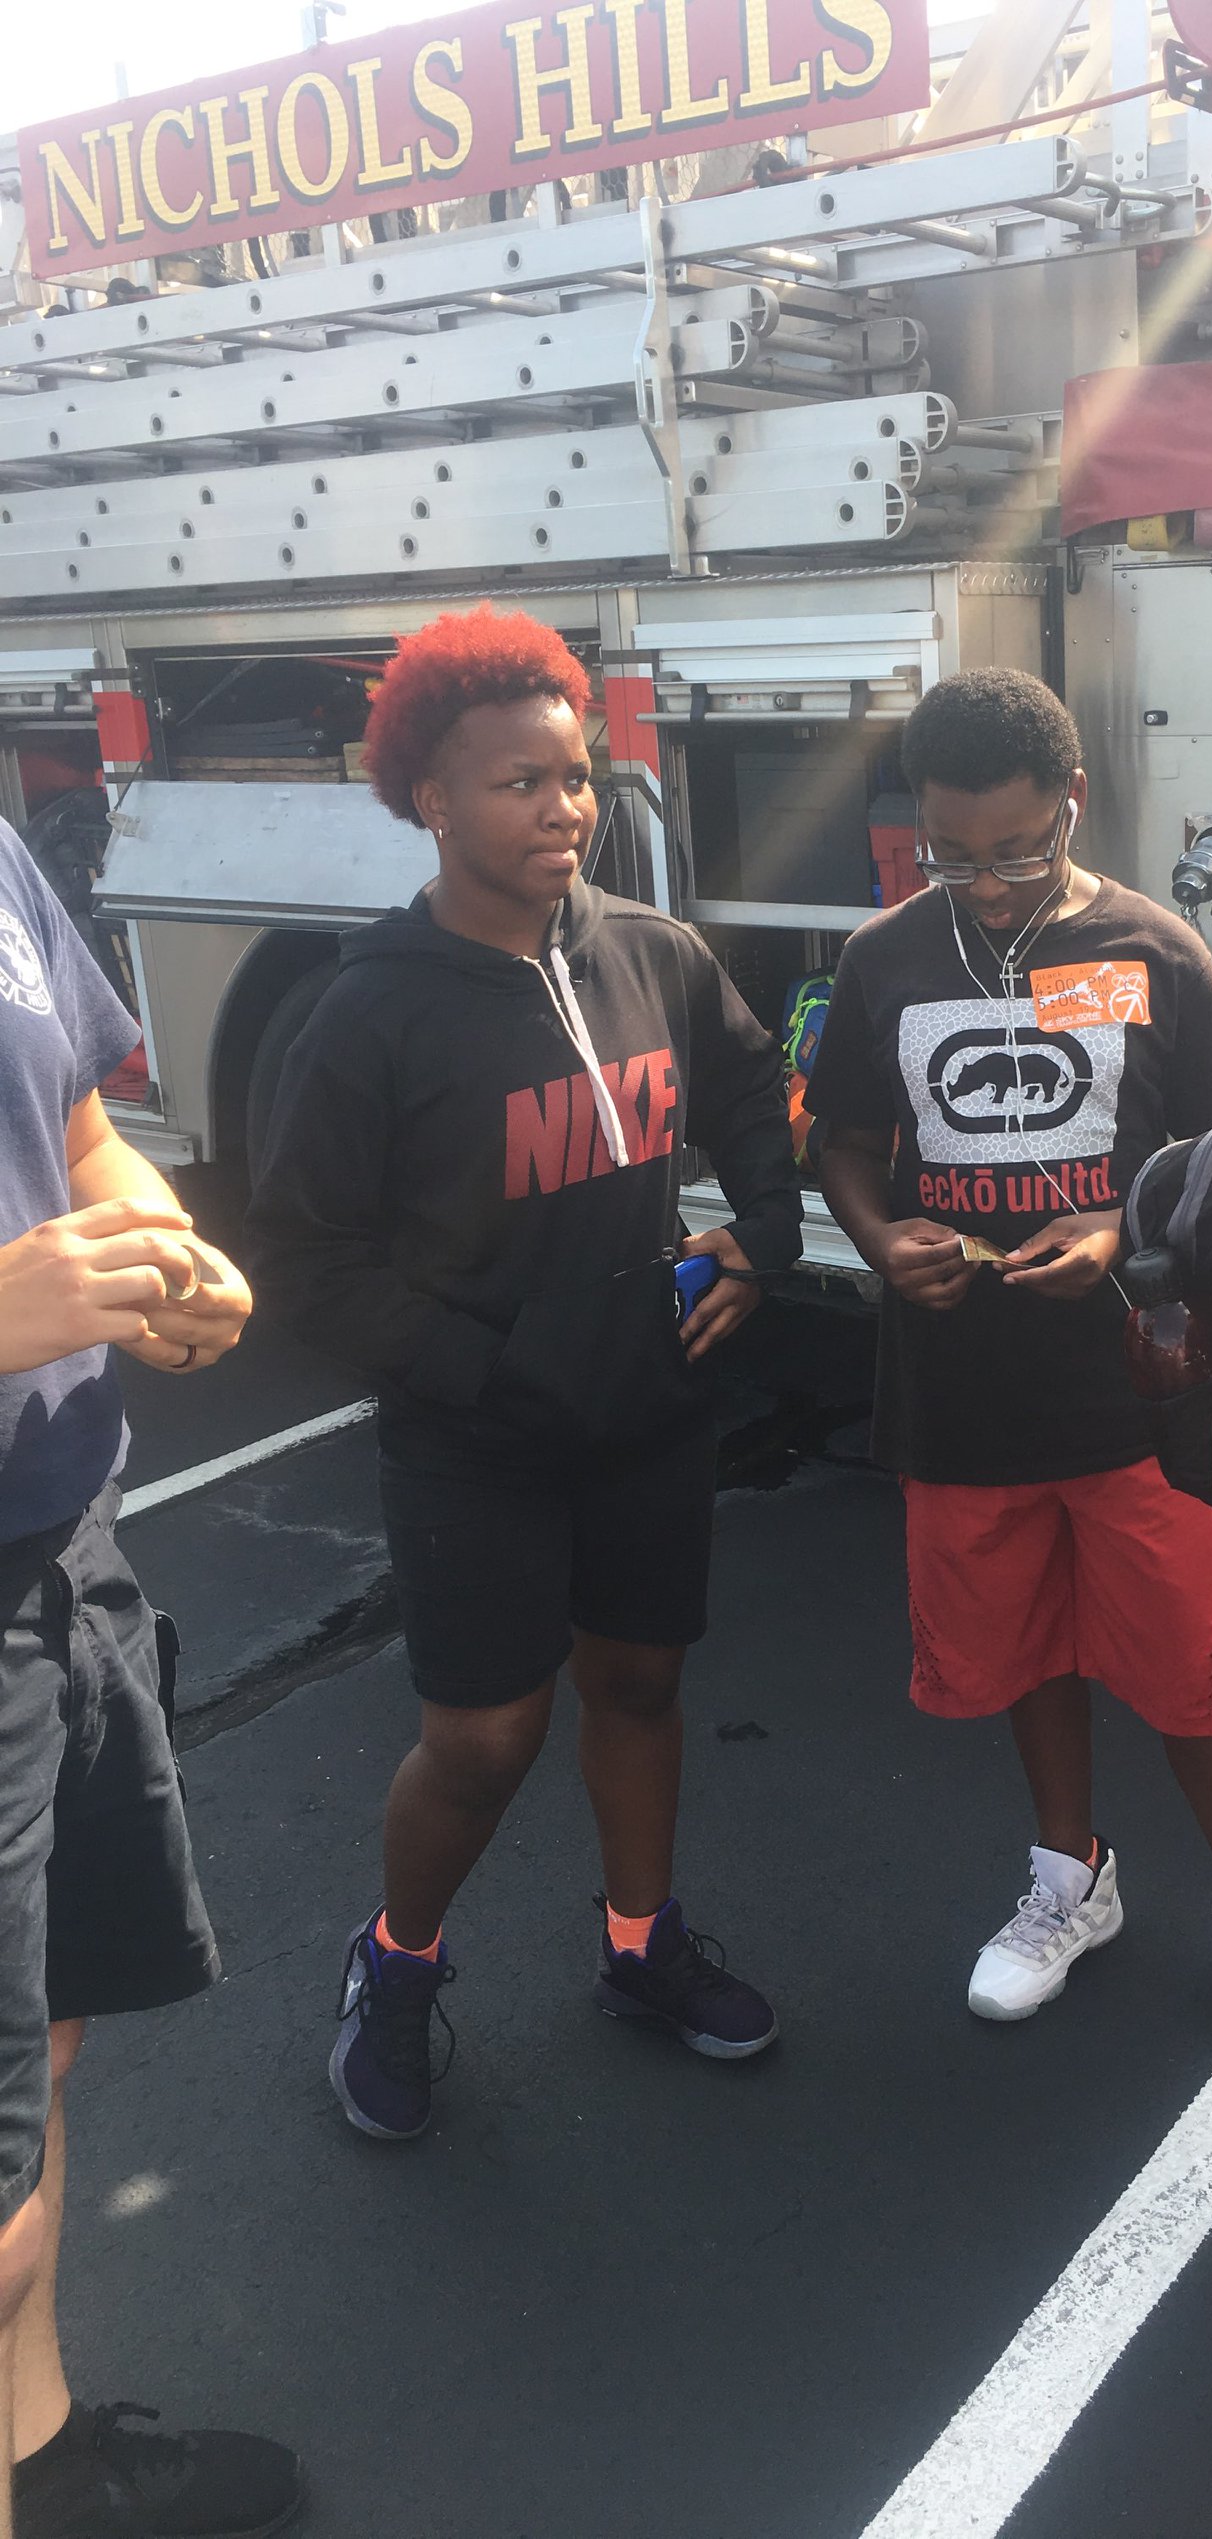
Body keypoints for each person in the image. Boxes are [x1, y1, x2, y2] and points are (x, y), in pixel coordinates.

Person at [246, 606, 802, 2142]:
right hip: (475, 1437)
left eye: (576, 779)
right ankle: (398, 1966)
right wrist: (488, 1369)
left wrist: (757, 1235)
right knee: (486, 1737)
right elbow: (304, 1259)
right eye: (519, 785)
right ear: (429, 798)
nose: (563, 810)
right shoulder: (370, 1009)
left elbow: (753, 1085)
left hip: (648, 1412)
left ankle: (640, 1951)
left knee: (637, 1678)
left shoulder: (654, 954)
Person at [809, 668, 1212, 2072]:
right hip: (961, 1392)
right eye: (949, 853)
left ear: (1072, 806)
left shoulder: (1153, 950)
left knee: (1191, 1669)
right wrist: (877, 1233)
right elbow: (843, 1137)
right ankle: (1069, 1879)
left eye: (1016, 849)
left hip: (1134, 1396)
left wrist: (1119, 1226)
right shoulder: (886, 960)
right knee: (1024, 1650)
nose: (981, 880)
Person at [0, 824, 303, 2537]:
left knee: (38, 2073)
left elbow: (80, 1134)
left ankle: (46, 2460)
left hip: (62, 1544)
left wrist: (165, 1247)